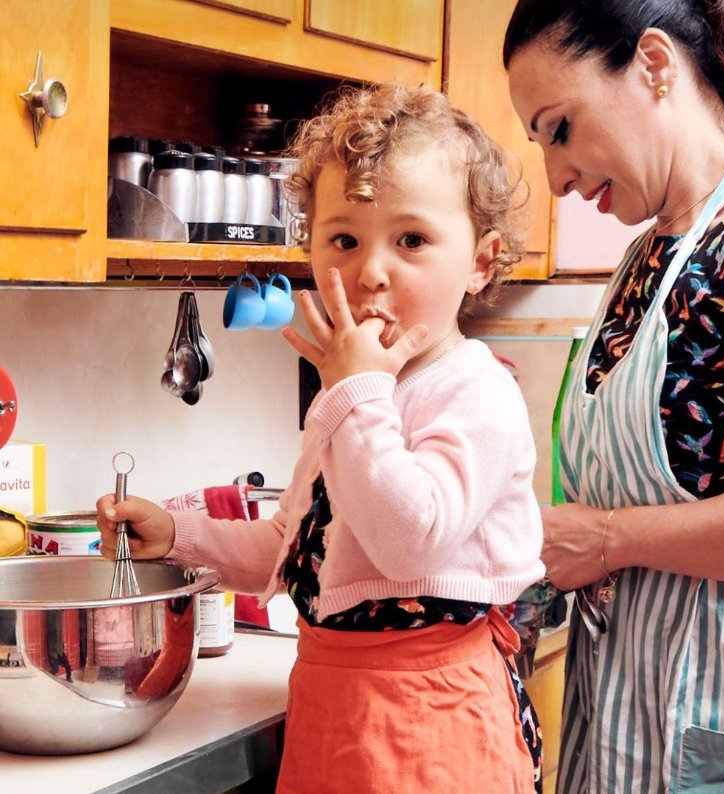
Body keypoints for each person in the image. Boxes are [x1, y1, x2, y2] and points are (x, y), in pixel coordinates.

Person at [97, 83, 545, 794]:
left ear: (482, 262)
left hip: (432, 716)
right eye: (343, 239)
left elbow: (408, 540)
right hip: (332, 705)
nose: (370, 273)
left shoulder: (473, 391)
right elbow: (292, 546)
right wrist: (178, 535)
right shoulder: (355, 394)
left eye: (412, 240)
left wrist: (353, 392)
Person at [502, 1, 724, 792]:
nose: (553, 176)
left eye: (559, 127)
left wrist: (608, 540)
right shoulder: (642, 260)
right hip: (620, 715)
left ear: (654, 64)